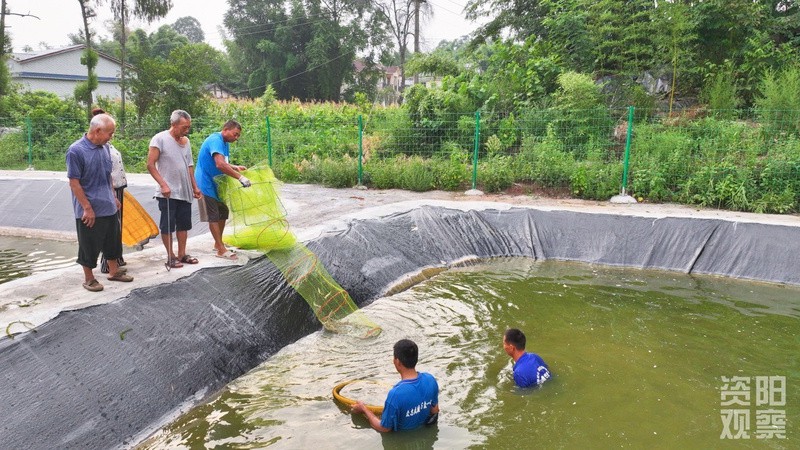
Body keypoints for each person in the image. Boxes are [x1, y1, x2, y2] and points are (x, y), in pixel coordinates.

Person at [66, 113, 134, 291]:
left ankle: (114, 271)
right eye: (110, 133)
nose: (111, 137)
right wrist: (87, 208)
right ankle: (89, 279)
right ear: (97, 131)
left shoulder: (104, 148)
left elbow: (107, 175)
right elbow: (74, 183)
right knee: (89, 244)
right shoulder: (76, 151)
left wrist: (113, 197)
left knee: (113, 241)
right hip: (89, 209)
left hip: (108, 205)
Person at [146, 109, 202, 269]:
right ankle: (170, 256)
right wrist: (163, 184)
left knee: (184, 224)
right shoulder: (159, 139)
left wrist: (194, 186)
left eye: (188, 127)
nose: (187, 130)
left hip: (184, 191)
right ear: (174, 124)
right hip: (168, 192)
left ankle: (182, 254)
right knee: (168, 225)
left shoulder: (186, 141)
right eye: (184, 127)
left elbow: (189, 165)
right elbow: (150, 165)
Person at [352, 339, 440, 432]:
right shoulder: (430, 380)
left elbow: (384, 428)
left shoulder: (395, 394)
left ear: (397, 361)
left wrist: (364, 409)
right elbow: (434, 411)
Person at [194, 119, 250, 260]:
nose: (236, 138)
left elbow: (222, 162)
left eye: (238, 135)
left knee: (223, 212)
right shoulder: (216, 140)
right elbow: (220, 164)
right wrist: (240, 177)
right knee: (213, 215)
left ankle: (217, 243)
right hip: (206, 182)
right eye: (235, 134)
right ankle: (220, 249)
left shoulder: (225, 143)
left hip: (217, 183)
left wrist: (235, 167)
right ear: (225, 129)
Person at [92, 108, 128, 274]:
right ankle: (107, 263)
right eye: (110, 131)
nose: (111, 134)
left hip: (118, 187)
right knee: (110, 228)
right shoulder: (97, 147)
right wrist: (112, 194)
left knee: (117, 226)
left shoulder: (107, 145)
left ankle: (116, 259)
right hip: (109, 190)